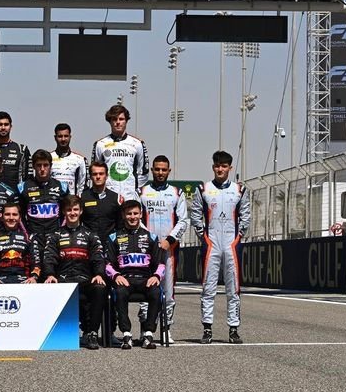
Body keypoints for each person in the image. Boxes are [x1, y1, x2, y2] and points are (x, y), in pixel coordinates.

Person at [189, 150, 251, 345]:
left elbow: (246, 216)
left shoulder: (239, 190)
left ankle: (233, 329)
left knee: (233, 289)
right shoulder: (203, 189)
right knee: (208, 288)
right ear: (213, 167)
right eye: (217, 166)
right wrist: (204, 237)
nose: (220, 169)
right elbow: (195, 215)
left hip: (231, 244)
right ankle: (207, 328)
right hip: (212, 244)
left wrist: (238, 237)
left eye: (224, 166)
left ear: (230, 168)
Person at [43, 195, 107, 351]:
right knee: (48, 285)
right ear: (64, 212)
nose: (72, 213)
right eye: (69, 210)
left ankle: (92, 333)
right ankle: (54, 332)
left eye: (75, 209)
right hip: (63, 280)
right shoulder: (55, 235)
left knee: (100, 288)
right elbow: (49, 257)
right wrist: (50, 274)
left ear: (81, 211)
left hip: (84, 279)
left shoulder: (91, 235)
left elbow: (98, 257)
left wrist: (99, 274)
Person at [139, 155, 188, 344]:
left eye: (163, 169)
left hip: (169, 249)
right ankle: (145, 327)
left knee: (168, 291)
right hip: (147, 249)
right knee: (146, 288)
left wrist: (169, 240)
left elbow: (183, 220)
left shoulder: (176, 192)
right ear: (152, 170)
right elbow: (136, 219)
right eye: (157, 169)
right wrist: (149, 240)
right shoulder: (142, 191)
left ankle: (166, 328)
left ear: (169, 171)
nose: (160, 172)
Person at [105, 200, 165, 350]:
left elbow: (161, 264)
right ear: (123, 215)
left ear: (141, 214)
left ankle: (148, 333)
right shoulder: (113, 237)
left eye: (135, 213)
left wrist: (156, 276)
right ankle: (126, 333)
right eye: (129, 214)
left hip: (145, 279)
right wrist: (116, 276)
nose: (132, 217)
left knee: (156, 292)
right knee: (120, 292)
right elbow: (107, 264)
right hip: (124, 279)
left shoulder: (152, 237)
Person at [19, 149, 69, 273]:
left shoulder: (61, 187)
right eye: (39, 165)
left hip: (55, 237)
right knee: (35, 272)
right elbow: (19, 215)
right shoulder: (23, 187)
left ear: (50, 166)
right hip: (34, 237)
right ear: (33, 166)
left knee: (54, 272)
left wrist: (60, 232)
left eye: (45, 165)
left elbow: (67, 213)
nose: (42, 169)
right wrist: (27, 234)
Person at [91, 105, 149, 201]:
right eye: (114, 119)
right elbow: (94, 170)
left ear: (126, 121)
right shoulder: (100, 144)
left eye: (121, 119)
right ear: (110, 121)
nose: (118, 122)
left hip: (130, 196)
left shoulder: (137, 144)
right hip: (107, 196)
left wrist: (133, 189)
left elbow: (144, 172)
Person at [0, 203, 40, 284]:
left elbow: (36, 261)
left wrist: (34, 277)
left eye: (15, 214)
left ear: (20, 218)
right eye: (7, 214)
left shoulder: (29, 238)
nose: (11, 218)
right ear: (2, 217)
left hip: (25, 281)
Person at [80, 162, 124, 246]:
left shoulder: (116, 199)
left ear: (106, 176)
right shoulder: (82, 198)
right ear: (90, 177)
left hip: (110, 245)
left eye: (101, 174)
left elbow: (121, 226)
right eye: (95, 174)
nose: (98, 177)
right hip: (88, 245)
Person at [50, 123, 88, 196]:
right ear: (55, 138)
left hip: (71, 200)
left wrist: (78, 199)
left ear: (70, 137)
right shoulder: (49, 157)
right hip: (53, 200)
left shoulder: (80, 159)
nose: (63, 139)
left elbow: (82, 185)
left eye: (66, 136)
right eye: (60, 136)